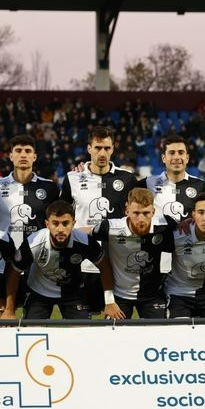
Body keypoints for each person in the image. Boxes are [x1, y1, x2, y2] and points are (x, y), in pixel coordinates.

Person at [60, 126, 137, 314]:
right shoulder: (73, 178)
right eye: (98, 147)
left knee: (115, 324)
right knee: (81, 324)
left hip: (117, 264)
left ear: (113, 149)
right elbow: (62, 215)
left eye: (107, 148)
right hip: (82, 264)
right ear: (89, 148)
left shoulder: (127, 179)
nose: (102, 153)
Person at [3, 200, 107, 320]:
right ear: (47, 224)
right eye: (55, 223)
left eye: (65, 223)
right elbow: (14, 272)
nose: (60, 229)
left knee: (82, 332)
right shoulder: (33, 243)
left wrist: (109, 301)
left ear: (73, 223)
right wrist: (9, 310)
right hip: (38, 291)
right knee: (32, 332)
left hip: (73, 292)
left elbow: (104, 266)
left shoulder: (85, 241)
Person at [89, 188, 175, 319]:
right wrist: (109, 301)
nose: (141, 219)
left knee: (159, 334)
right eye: (136, 213)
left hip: (152, 295)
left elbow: (187, 229)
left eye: (146, 213)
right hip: (120, 296)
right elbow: (84, 233)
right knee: (112, 333)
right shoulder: (110, 227)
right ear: (127, 211)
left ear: (153, 212)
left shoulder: (165, 224)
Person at [138, 134, 205, 221]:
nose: (176, 157)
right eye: (172, 153)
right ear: (163, 158)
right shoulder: (147, 183)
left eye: (181, 152)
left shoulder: (200, 185)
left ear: (187, 158)